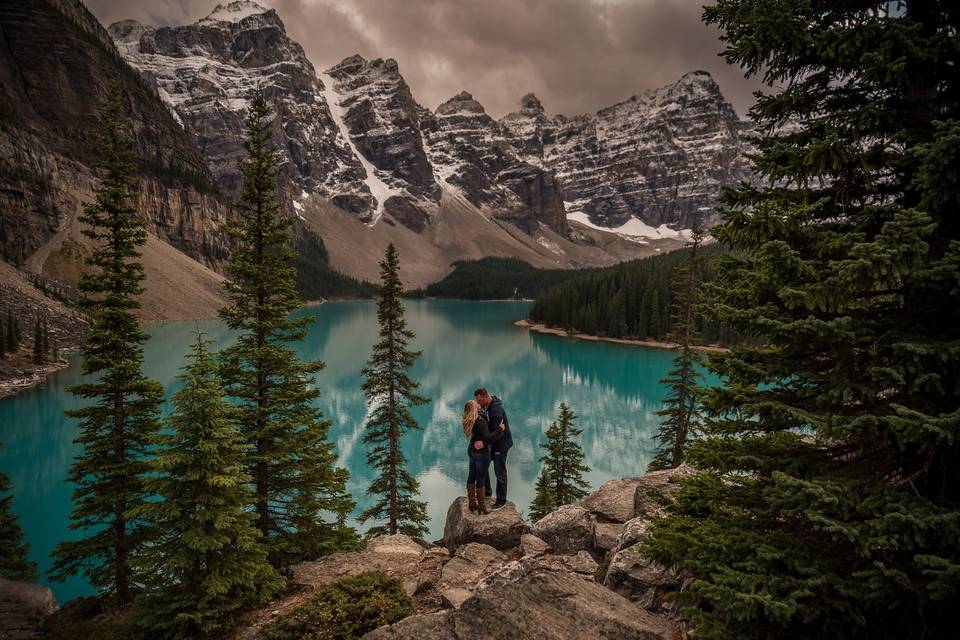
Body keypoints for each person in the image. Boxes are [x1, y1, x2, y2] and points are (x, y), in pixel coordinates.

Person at [462, 399, 502, 514]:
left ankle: (472, 502)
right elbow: (488, 438)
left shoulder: (469, 420)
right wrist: (500, 429)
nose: (479, 404)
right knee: (481, 478)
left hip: (472, 450)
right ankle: (482, 506)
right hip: (482, 453)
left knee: (471, 476)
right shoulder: (480, 421)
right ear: (475, 408)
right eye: (476, 404)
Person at [475, 388, 512, 510]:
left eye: (479, 400)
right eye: (477, 400)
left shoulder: (495, 411)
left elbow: (498, 433)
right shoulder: (488, 406)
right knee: (482, 466)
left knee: (500, 472)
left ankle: (501, 500)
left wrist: (483, 443)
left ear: (486, 397)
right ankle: (487, 492)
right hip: (492, 445)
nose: (478, 402)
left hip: (500, 446)